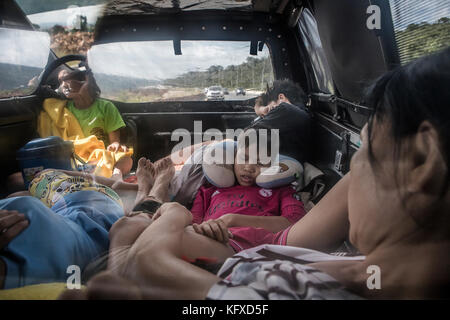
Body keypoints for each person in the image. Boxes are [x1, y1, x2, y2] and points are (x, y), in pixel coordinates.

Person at [61, 48, 449, 300]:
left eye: (364, 149)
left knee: (128, 238)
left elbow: (150, 269)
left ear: (421, 162)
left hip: (242, 244)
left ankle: (149, 197)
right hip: (261, 244)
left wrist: (176, 215)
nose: (352, 167)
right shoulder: (384, 270)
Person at [59, 65, 133, 178]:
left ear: (86, 82)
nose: (65, 85)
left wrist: (115, 146)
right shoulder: (63, 110)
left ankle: (115, 176)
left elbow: (114, 141)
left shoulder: (106, 107)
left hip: (103, 157)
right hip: (77, 159)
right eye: (62, 82)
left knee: (126, 159)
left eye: (69, 80)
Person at [250, 79, 312, 164]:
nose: (269, 116)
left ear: (281, 97)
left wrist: (259, 110)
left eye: (270, 110)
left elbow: (248, 135)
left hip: (284, 163)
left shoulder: (286, 109)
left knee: (227, 146)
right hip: (282, 160)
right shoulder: (299, 113)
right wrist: (260, 109)